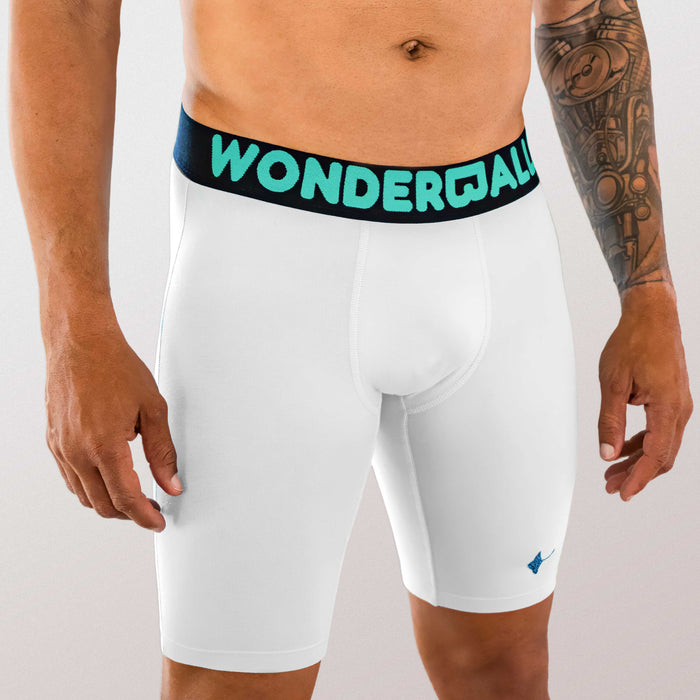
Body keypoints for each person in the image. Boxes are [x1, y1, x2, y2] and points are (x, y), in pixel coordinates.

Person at [8, 0, 692, 698]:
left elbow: (588, 20)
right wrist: (74, 328)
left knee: (506, 670)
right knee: (229, 686)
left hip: (496, 243)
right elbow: (70, 11)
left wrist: (649, 293)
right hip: (266, 243)